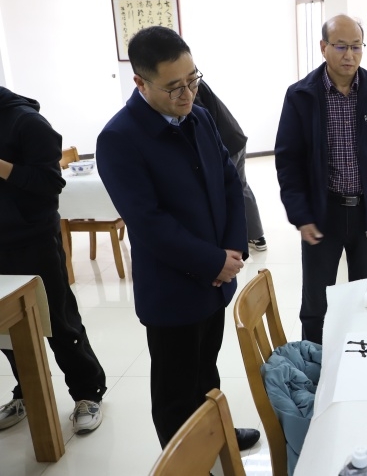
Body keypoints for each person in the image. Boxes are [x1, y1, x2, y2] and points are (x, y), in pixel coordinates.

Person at [95, 26, 260, 450]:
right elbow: (148, 223)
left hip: (216, 279)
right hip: (173, 289)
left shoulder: (199, 116)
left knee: (206, 371)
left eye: (193, 79)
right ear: (140, 82)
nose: (187, 94)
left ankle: (216, 437)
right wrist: (213, 262)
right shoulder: (119, 138)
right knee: (175, 391)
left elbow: (230, 181)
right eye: (174, 87)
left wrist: (232, 248)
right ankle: (184, 460)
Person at [275, 14, 367, 345]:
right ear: (323, 47)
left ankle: (362, 360)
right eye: (340, 47)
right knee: (316, 304)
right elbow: (289, 162)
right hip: (323, 214)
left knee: (366, 298)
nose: (349, 55)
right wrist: (301, 215)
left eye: (356, 46)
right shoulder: (300, 96)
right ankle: (314, 364)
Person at [0, 86, 107, 434]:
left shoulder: (27, 121)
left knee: (59, 321)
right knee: (7, 328)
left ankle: (88, 392)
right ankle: (27, 391)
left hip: (33, 240)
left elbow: (50, 183)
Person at [194, 79, 267, 251]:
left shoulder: (189, 87)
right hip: (235, 138)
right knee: (241, 186)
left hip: (227, 145)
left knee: (227, 191)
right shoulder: (194, 80)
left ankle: (235, 241)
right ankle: (256, 236)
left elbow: (201, 121)